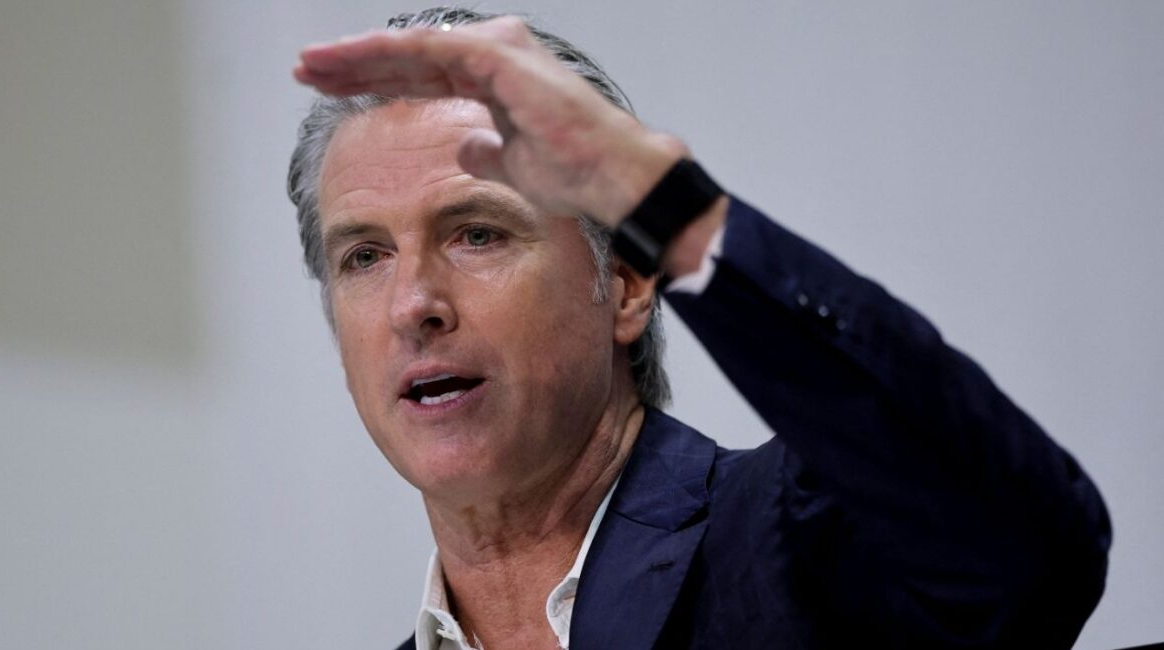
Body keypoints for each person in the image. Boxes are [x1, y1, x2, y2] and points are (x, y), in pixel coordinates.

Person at [288, 7, 1111, 649]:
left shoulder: (794, 547)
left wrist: (670, 213)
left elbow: (1029, 548)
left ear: (630, 284)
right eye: (364, 257)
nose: (412, 303)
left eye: (478, 233)